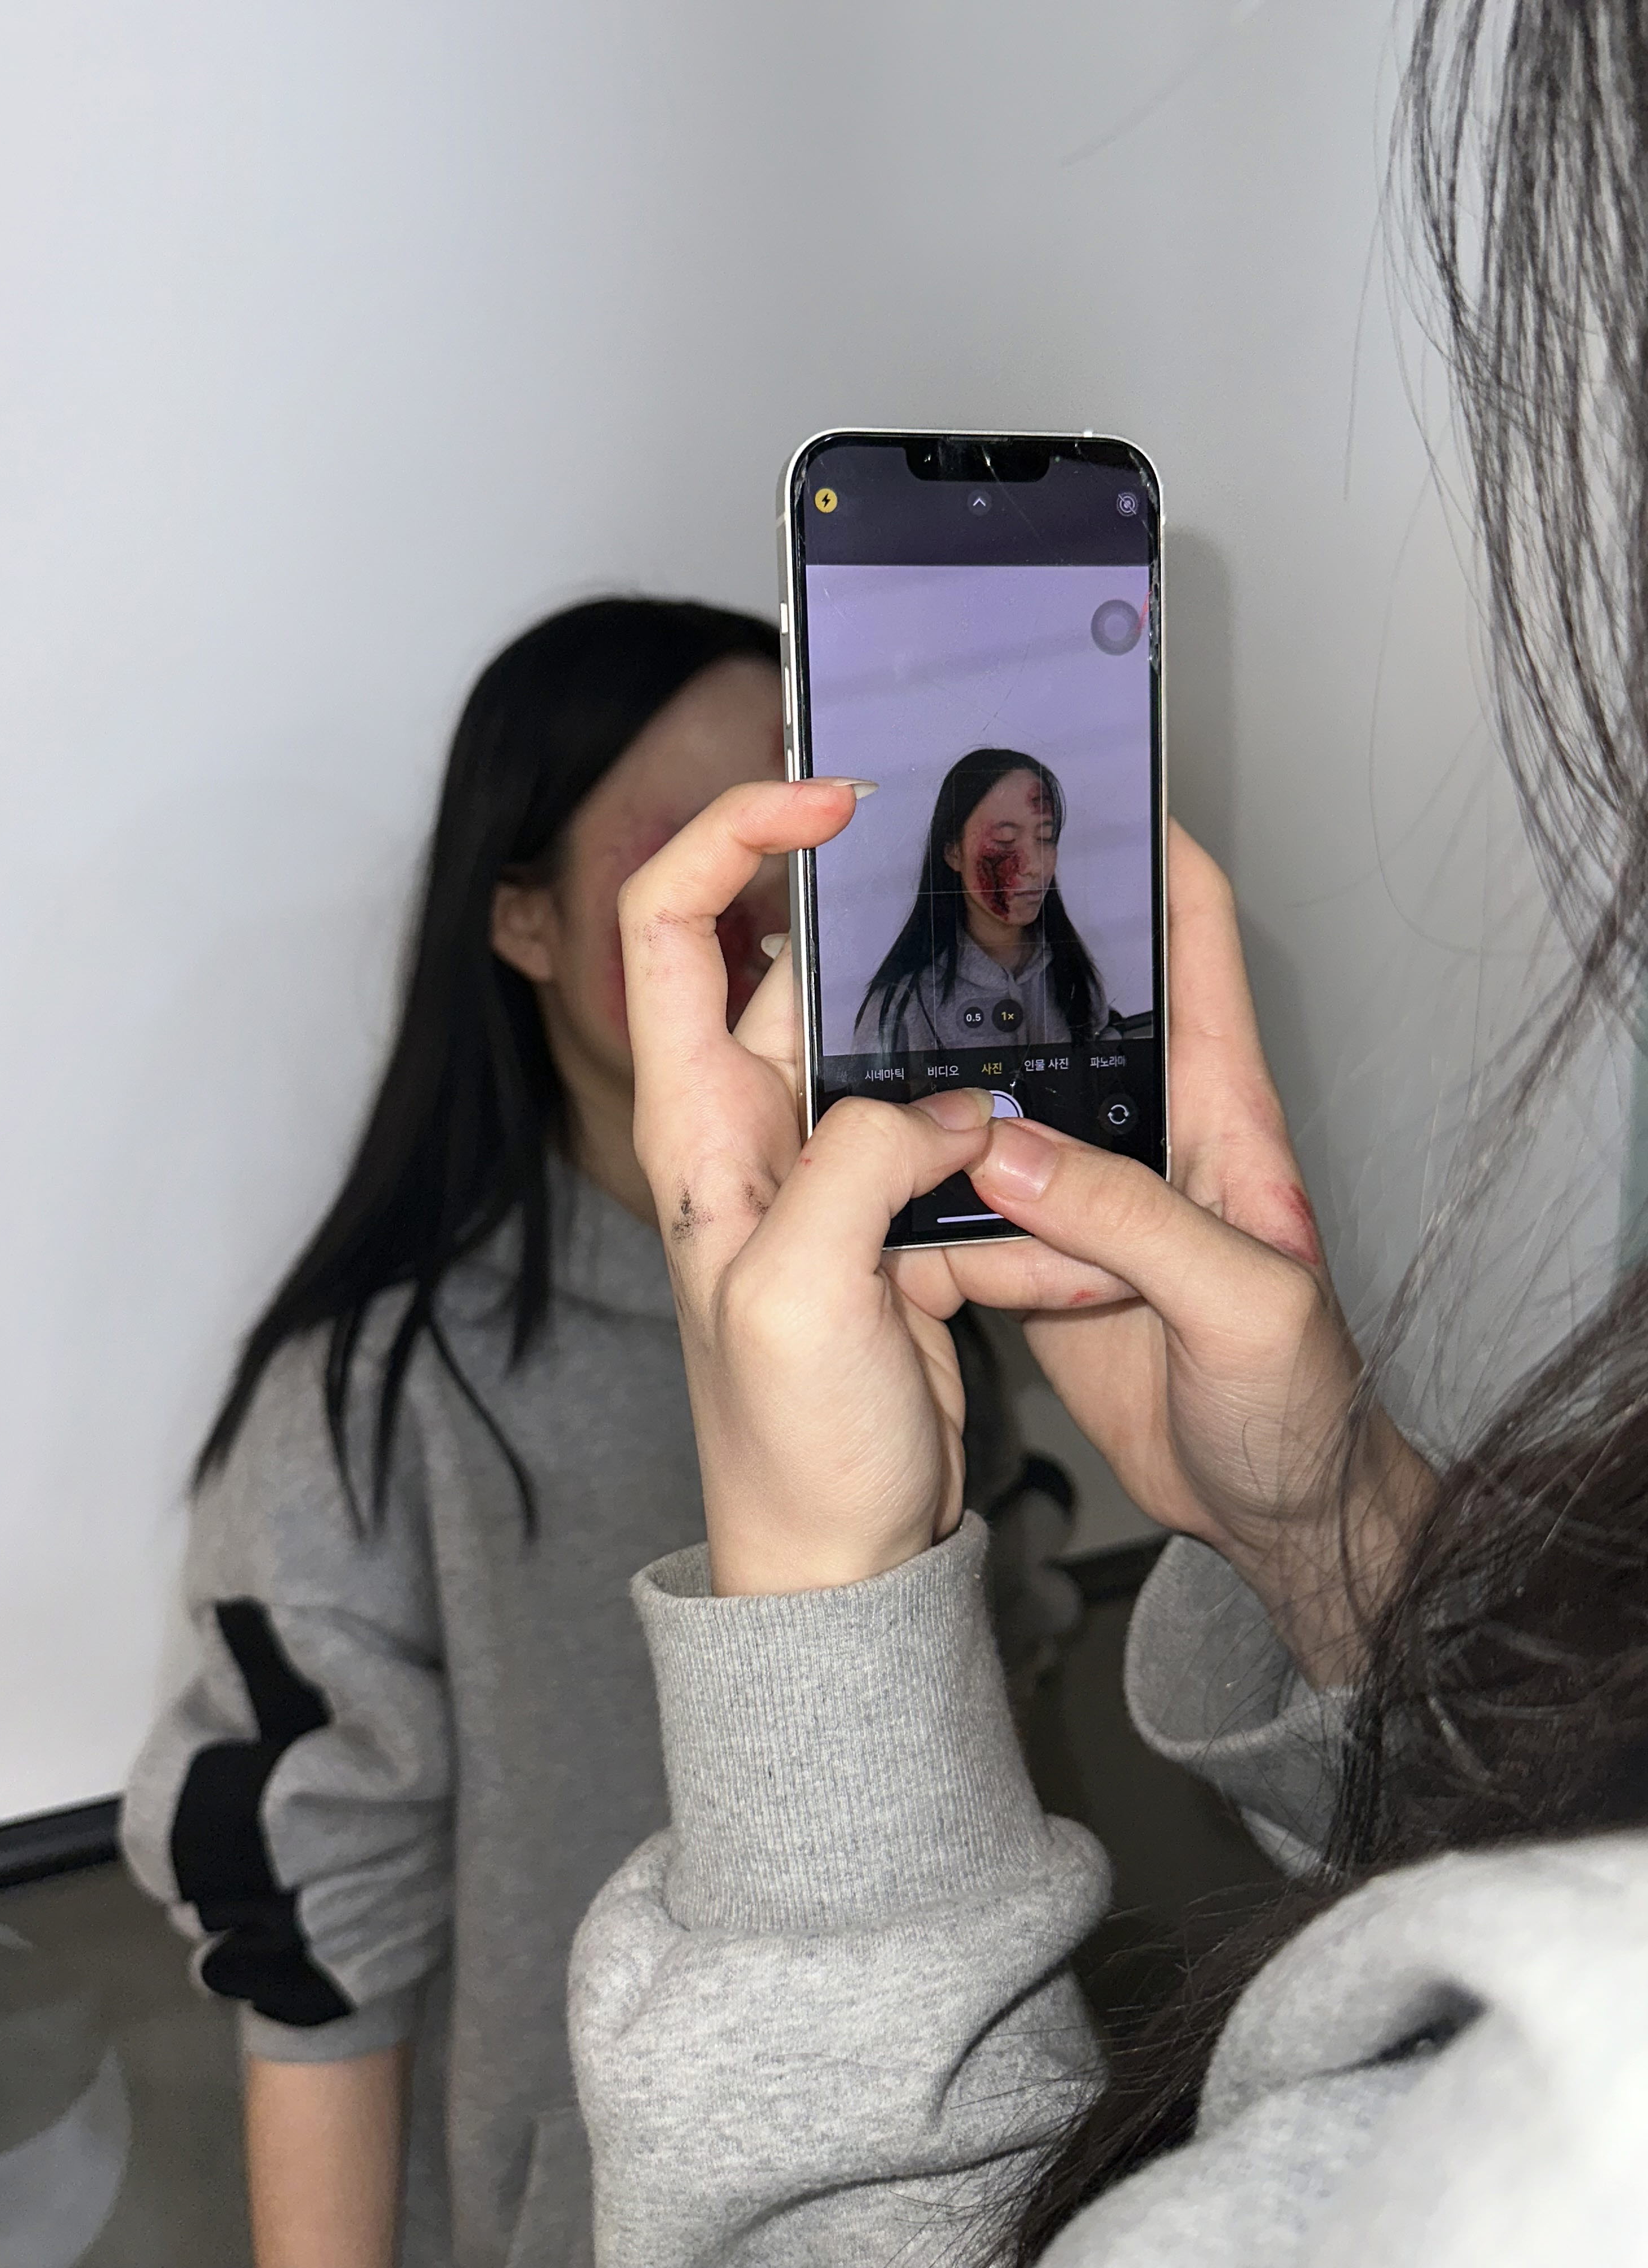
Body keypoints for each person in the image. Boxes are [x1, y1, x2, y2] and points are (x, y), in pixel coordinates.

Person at [567, 3, 1648, 2261]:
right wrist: (1329, 1529)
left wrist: (821, 1607)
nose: (1023, 853)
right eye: (998, 821)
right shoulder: (889, 1010)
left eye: (1049, 828)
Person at [120, 596, 795, 2268]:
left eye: (809, 841)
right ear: (524, 918)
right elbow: (320, 1953)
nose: (776, 910)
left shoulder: (927, 1307)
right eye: (700, 850)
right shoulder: (375, 1403)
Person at [851, 748, 1133, 1054]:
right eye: (1005, 841)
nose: (1035, 866)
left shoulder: (1075, 976)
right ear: (953, 852)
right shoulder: (903, 1005)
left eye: (1045, 838)